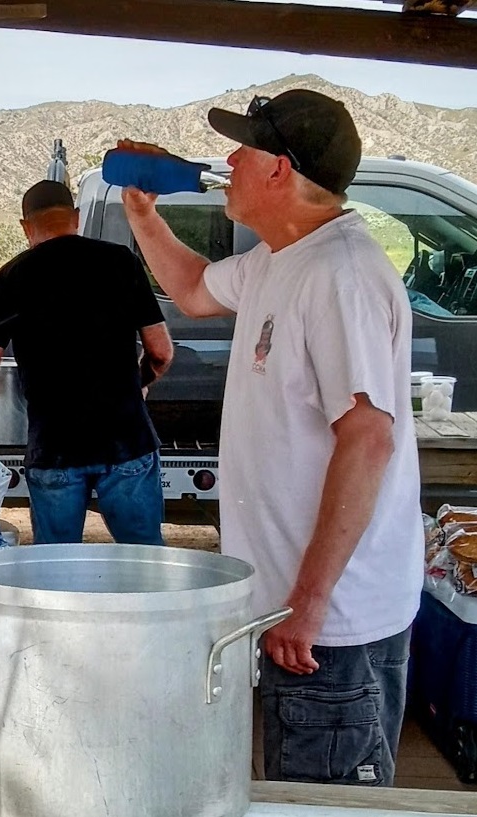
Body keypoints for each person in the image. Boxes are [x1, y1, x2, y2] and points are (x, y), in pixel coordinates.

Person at [120, 89, 423, 786]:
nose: (226, 160)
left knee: (320, 800)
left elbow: (366, 438)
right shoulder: (278, 257)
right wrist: (142, 216)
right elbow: (194, 289)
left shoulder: (338, 272)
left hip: (328, 624)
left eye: (242, 148)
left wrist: (307, 604)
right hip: (295, 612)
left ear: (279, 169)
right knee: (293, 785)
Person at [0, 180, 174, 545]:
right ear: (76, 217)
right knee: (147, 562)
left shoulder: (12, 277)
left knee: (54, 570)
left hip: (56, 449)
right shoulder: (121, 262)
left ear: (25, 226)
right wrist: (139, 383)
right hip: (127, 441)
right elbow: (161, 351)